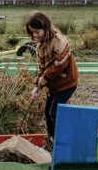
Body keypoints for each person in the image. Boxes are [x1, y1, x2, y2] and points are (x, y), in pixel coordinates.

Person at [26, 11, 79, 142]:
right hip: (55, 85)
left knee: (54, 113)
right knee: (47, 113)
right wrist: (37, 86)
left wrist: (44, 79)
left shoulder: (58, 41)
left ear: (45, 27)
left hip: (66, 83)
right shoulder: (41, 45)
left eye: (37, 32)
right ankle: (51, 142)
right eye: (32, 32)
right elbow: (43, 69)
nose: (35, 35)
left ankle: (63, 143)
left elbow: (60, 64)